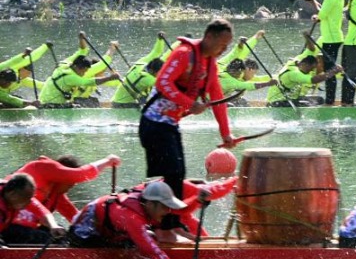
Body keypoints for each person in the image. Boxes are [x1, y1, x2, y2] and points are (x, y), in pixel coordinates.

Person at [139, 19, 238, 197]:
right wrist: (191, 104)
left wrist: (226, 133)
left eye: (227, 46)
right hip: (154, 122)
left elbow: (218, 100)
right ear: (208, 37)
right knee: (174, 174)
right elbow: (162, 83)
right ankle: (164, 217)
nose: (224, 50)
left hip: (170, 124)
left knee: (177, 174)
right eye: (222, 45)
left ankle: (171, 218)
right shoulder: (184, 53)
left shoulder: (210, 65)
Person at [68, 181, 199, 259]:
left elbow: (180, 211)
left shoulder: (149, 202)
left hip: (110, 227)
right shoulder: (132, 218)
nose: (168, 210)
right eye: (165, 206)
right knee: (139, 243)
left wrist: (198, 200)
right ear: (151, 204)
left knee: (142, 240)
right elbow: (151, 251)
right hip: (86, 225)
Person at [15, 153, 122, 222]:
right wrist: (107, 161)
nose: (73, 184)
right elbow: (82, 174)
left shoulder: (56, 193)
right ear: (62, 174)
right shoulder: (43, 167)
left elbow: (75, 218)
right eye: (71, 181)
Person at [109, 31, 171, 107]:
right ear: (153, 71)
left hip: (116, 100)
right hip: (122, 105)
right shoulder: (148, 79)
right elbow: (168, 86)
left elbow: (156, 52)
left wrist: (160, 40)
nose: (160, 75)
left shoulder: (141, 63)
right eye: (159, 73)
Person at [311, 0, 345, 105]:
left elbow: (322, 14)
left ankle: (330, 102)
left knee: (329, 72)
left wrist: (315, 15)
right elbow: (325, 13)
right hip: (333, 37)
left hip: (331, 38)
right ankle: (330, 100)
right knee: (329, 70)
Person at [0, 174, 57, 247]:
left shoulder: (13, 192)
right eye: (27, 199)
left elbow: (41, 210)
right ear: (12, 194)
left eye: (31, 198)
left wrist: (53, 226)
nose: (30, 203)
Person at [39, 56, 118, 107]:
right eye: (84, 71)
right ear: (78, 67)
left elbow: (79, 54)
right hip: (50, 105)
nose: (84, 74)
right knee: (77, 106)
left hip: (44, 101)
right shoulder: (71, 77)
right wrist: (109, 78)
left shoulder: (64, 67)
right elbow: (88, 82)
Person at [267, 53, 342, 107]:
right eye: (311, 69)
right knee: (308, 104)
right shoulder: (294, 73)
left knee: (319, 100)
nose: (310, 71)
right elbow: (313, 80)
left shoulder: (295, 63)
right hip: (278, 102)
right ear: (305, 64)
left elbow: (296, 59)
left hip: (291, 98)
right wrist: (333, 71)